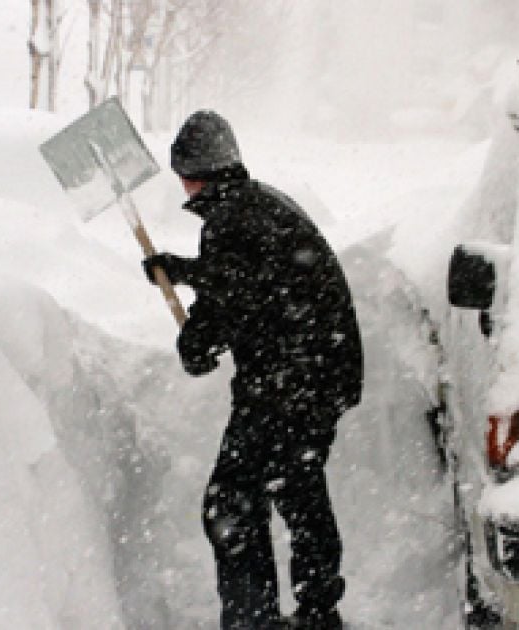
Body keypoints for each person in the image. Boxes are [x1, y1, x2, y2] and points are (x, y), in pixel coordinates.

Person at [143, 110, 363, 630]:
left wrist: (197, 340)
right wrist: (183, 272)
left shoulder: (230, 222)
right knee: (296, 484)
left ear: (193, 173)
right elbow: (251, 277)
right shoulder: (259, 204)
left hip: (286, 381)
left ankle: (252, 619)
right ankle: (317, 611)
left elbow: (235, 294)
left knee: (231, 503)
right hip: (320, 373)